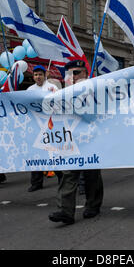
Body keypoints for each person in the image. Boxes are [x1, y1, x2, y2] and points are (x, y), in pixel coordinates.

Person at [48, 60, 104, 225]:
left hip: (91, 139)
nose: (73, 76)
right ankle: (65, 211)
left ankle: (93, 205)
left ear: (86, 74)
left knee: (92, 175)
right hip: (70, 140)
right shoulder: (61, 93)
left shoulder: (95, 91)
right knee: (68, 174)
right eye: (70, 73)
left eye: (77, 72)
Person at [26, 65, 63, 192]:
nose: (38, 77)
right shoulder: (30, 89)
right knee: (37, 153)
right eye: (36, 75)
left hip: (51, 124)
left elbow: (59, 102)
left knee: (54, 153)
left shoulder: (52, 87)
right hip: (37, 124)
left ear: (45, 75)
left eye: (40, 74)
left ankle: (61, 178)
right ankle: (36, 182)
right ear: (33, 76)